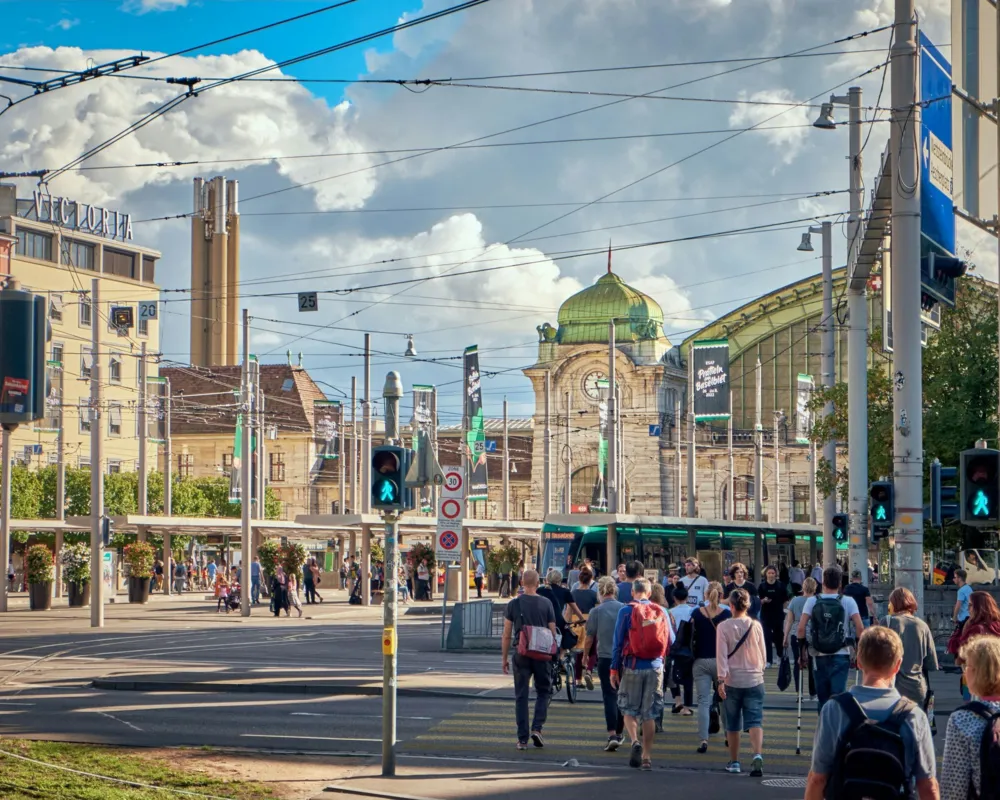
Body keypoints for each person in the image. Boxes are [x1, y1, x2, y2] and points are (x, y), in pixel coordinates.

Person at [805, 626, 938, 800]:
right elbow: (928, 786)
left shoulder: (834, 709)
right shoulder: (913, 715)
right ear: (898, 665)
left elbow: (818, 779)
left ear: (858, 661)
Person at [610, 578, 670, 771]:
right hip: (655, 667)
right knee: (650, 714)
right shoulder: (661, 611)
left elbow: (617, 643)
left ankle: (634, 740)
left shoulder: (626, 611)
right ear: (650, 593)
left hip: (632, 667)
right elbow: (671, 641)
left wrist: (613, 669)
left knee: (628, 709)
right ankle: (646, 756)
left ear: (632, 592)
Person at [501, 569, 557, 750]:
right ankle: (537, 728)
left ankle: (522, 740)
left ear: (521, 583)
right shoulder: (546, 603)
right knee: (543, 692)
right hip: (541, 654)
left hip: (521, 653)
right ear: (538, 584)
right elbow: (552, 631)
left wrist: (504, 658)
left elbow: (506, 634)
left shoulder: (513, 604)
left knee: (521, 696)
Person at [797, 565, 864, 713]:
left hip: (818, 655)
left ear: (823, 582)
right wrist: (858, 651)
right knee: (839, 697)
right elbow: (860, 628)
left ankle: (824, 730)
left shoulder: (812, 601)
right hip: (841, 654)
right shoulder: (848, 601)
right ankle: (837, 731)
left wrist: (802, 653)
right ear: (840, 583)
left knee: (823, 699)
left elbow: (801, 629)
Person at [940, 635, 1000, 800]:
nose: (964, 671)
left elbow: (954, 788)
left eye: (967, 666)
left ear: (977, 672)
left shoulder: (962, 719)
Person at [716, 588, 767, 776]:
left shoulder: (723, 627)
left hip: (732, 681)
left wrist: (721, 680)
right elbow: (763, 654)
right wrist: (759, 672)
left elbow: (721, 656)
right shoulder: (756, 625)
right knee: (755, 720)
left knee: (733, 723)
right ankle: (757, 755)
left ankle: (735, 762)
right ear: (748, 605)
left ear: (730, 605)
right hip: (754, 679)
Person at [584, 576, 626, 750]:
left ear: (600, 592)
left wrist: (586, 655)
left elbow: (589, 637)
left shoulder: (596, 612)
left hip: (605, 658)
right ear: (614, 591)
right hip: (624, 658)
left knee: (609, 696)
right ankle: (621, 731)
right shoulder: (624, 608)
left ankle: (612, 734)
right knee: (623, 695)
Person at [693, 581, 731, 754]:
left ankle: (703, 740)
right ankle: (728, 737)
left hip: (700, 662)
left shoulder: (696, 613)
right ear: (722, 595)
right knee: (724, 700)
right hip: (721, 663)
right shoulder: (727, 614)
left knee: (703, 701)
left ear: (706, 595)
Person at [885, 587, 938, 707]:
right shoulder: (922, 625)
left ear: (894, 604)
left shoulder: (887, 622)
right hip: (917, 688)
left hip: (892, 688)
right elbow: (931, 663)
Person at [784, 576, 818, 698]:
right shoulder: (816, 601)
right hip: (812, 635)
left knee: (798, 662)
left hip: (796, 634)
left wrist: (785, 637)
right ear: (815, 587)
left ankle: (799, 693)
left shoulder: (794, 601)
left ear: (803, 587)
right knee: (812, 663)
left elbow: (789, 621)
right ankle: (813, 692)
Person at [667, 584, 695, 717]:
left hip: (674, 647)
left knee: (673, 676)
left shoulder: (670, 612)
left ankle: (678, 701)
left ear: (674, 598)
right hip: (689, 648)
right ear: (687, 597)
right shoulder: (693, 611)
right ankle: (687, 707)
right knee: (688, 678)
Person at [757, 565, 787, 667]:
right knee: (766, 637)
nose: (771, 575)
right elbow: (758, 600)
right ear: (766, 574)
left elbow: (785, 600)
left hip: (778, 614)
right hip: (766, 615)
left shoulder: (781, 586)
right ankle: (768, 660)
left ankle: (779, 656)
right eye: (769, 573)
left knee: (779, 636)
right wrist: (763, 600)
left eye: (773, 573)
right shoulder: (762, 586)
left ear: (776, 574)